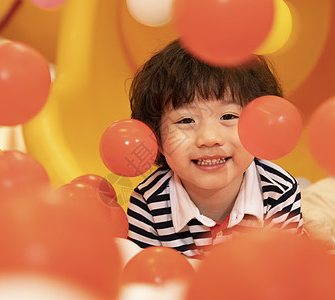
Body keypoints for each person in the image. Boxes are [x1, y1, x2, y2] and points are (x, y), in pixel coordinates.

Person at [126, 39, 307, 258]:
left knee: (322, 220)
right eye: (185, 120)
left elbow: (284, 276)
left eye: (228, 116)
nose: (209, 138)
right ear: (156, 138)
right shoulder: (148, 204)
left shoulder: (278, 190)